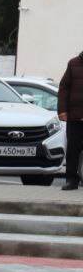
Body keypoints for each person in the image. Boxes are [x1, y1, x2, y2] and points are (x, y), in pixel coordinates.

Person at [58, 49, 83, 190]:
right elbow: (64, 88)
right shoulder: (73, 64)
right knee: (73, 150)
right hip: (75, 116)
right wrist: (62, 110)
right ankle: (71, 180)